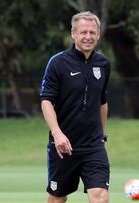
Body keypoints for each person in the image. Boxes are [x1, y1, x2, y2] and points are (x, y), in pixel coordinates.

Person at [40, 11, 111, 203]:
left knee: (101, 197)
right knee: (57, 199)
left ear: (98, 35)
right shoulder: (58, 63)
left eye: (92, 32)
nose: (88, 36)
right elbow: (46, 101)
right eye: (83, 32)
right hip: (63, 147)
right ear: (73, 34)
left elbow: (102, 102)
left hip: (93, 146)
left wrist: (102, 135)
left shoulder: (103, 64)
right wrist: (57, 133)